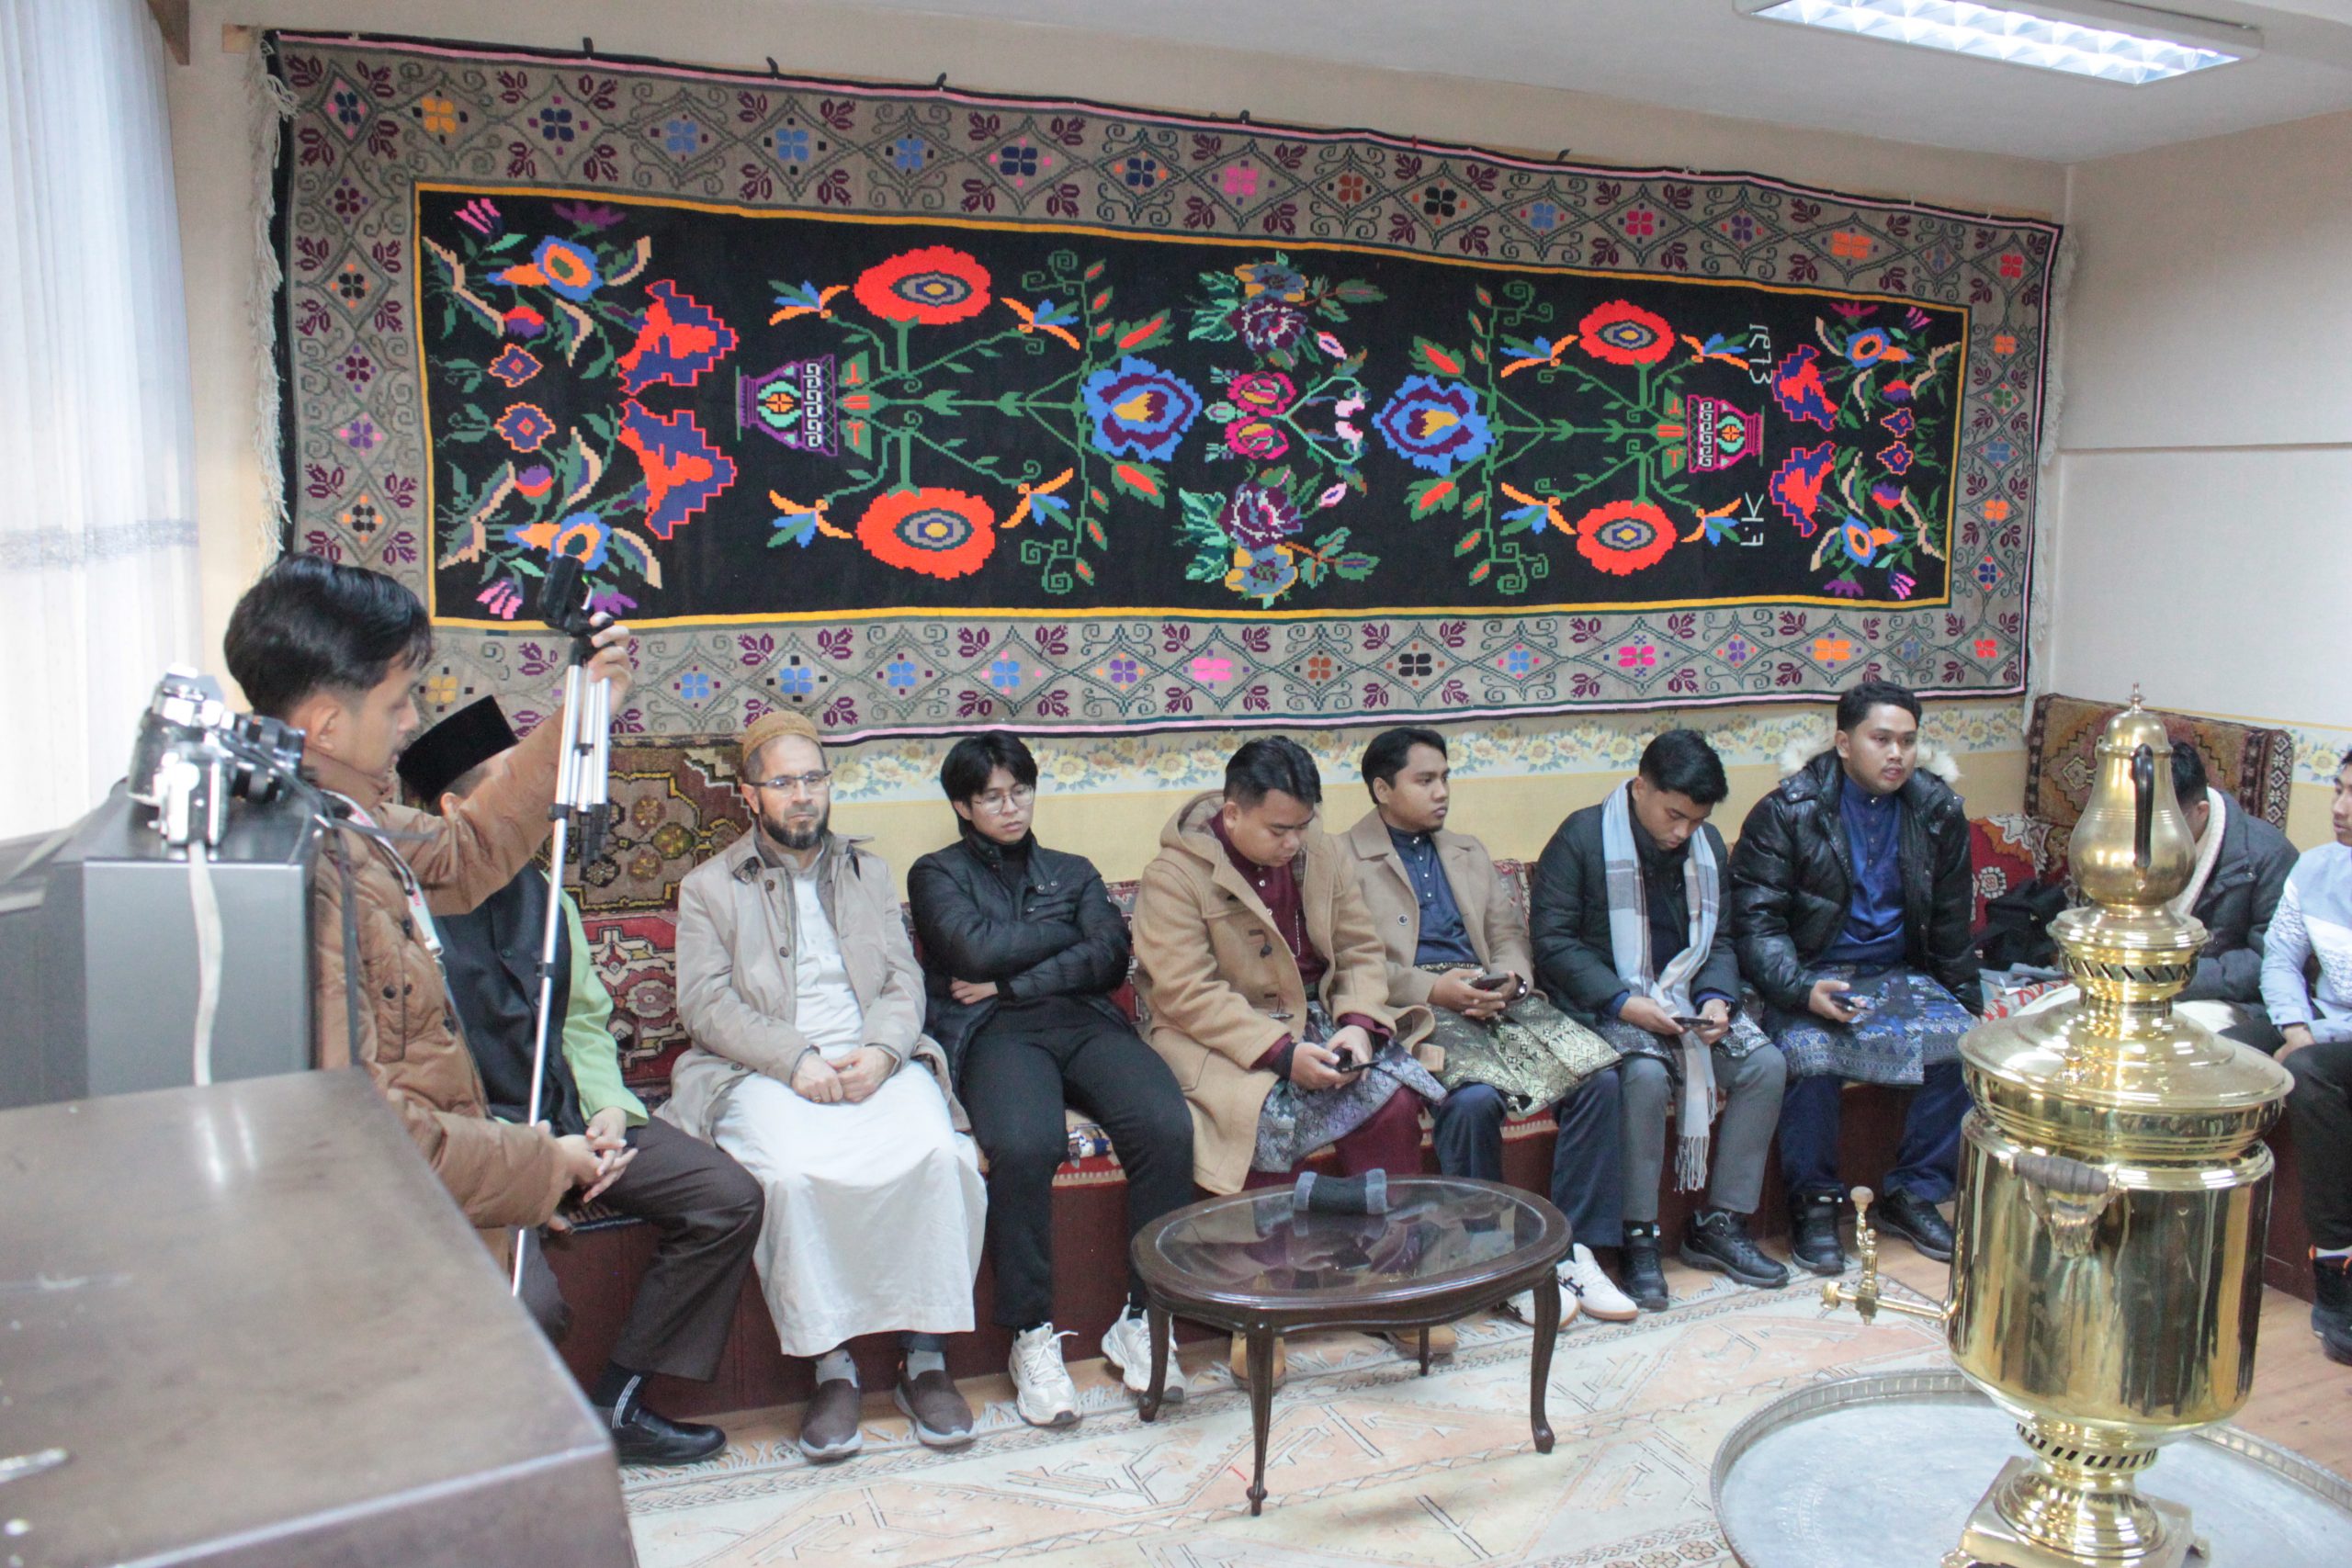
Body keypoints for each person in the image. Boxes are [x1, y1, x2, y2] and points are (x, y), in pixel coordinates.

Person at [221, 555, 649, 1436]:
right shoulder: (307, 870)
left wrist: (583, 715)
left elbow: (468, 852)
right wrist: (544, 1162)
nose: (413, 720)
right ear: (327, 723)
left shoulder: (347, 818)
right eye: (398, 701)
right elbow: (375, 1130)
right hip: (387, 1248)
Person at [397, 697, 763, 1465]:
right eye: (512, 782)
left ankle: (618, 1402)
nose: (537, 798)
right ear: (456, 809)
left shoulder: (547, 893)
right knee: (528, 1301)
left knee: (725, 1197)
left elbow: (584, 1023)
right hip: (482, 1144)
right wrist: (531, 1166)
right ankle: (516, 1460)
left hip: (573, 1118)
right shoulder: (403, 917)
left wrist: (606, 1111)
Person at [661, 711, 986, 1463]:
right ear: (750, 794)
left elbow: (903, 980)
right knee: (791, 1175)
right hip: (763, 1067)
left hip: (872, 1059)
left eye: (813, 778)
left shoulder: (869, 871)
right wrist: (794, 1057)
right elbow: (704, 1004)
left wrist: (883, 1051)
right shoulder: (709, 887)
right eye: (784, 782)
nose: (803, 795)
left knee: (943, 1157)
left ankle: (925, 1359)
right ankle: (832, 1368)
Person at [1131, 736, 1442, 1375]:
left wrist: (1357, 1026)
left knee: (1391, 1102)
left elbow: (1359, 950)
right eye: (1279, 830)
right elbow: (1187, 993)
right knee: (1264, 1116)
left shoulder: (1320, 851)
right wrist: (1280, 1053)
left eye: (1303, 825)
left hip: (1318, 1020)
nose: (1294, 842)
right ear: (1233, 812)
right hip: (1225, 1039)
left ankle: (1391, 1286)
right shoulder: (1173, 876)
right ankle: (1261, 1309)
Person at [907, 732, 1193, 1426]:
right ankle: (1031, 1333)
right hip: (994, 1032)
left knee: (1166, 1125)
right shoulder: (935, 873)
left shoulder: (1073, 868)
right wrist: (1062, 932)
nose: (1011, 808)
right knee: (1026, 1144)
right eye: (992, 797)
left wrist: (1011, 978)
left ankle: (1143, 1318)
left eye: (1021, 791)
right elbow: (970, 949)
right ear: (962, 806)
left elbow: (1110, 956)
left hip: (1083, 1019)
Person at [1343, 727, 1635, 1327]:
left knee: (1600, 1079)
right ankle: (1495, 1262)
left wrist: (1512, 979)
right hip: (1417, 1006)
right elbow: (1351, 960)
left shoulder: (1468, 850)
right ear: (1382, 789)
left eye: (1445, 777)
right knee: (1473, 1100)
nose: (1442, 791)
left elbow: (1507, 933)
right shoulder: (1342, 858)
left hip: (1494, 996)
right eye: (1425, 780)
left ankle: (1574, 1252)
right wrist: (1435, 989)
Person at [1530, 730, 1790, 1309]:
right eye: (1675, 816)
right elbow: (1553, 943)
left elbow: (1720, 940)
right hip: (1605, 1004)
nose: (1683, 833)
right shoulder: (1581, 837)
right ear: (1640, 787)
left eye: (1697, 820)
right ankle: (1640, 1237)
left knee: (1766, 1065)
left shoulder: (1707, 845)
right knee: (1644, 1076)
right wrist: (1622, 1002)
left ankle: (1721, 1224)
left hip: (1687, 1002)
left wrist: (1718, 999)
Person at [1729, 681, 1982, 1274]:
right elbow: (1756, 924)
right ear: (1844, 743)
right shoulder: (1788, 811)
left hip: (1896, 973)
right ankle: (1814, 1205)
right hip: (1810, 974)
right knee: (1810, 1054)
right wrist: (1799, 990)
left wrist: (1967, 1001)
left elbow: (1950, 921)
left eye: (1908, 742)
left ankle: (1914, 1194)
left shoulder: (1937, 811)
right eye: (1881, 739)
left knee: (1966, 1043)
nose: (1897, 754)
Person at [2021, 741, 2296, 1049]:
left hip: (2217, 998)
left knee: (2146, 1048)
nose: (2141, 835)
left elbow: (2268, 961)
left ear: (2200, 812)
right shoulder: (2131, 836)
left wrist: (2164, 976)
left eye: (2155, 824)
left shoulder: (2266, 856)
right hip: (2129, 982)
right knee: (2036, 1028)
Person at [2261, 748, 2352, 1365]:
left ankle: (2334, 1265)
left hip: (2333, 1043)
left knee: (2308, 1072)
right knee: (2220, 1051)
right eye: (2338, 789)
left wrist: (2314, 1040)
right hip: (2318, 1027)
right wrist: (2295, 1025)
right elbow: (2280, 958)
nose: (2340, 808)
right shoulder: (2317, 868)